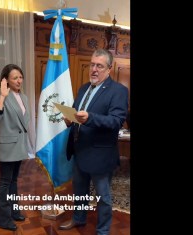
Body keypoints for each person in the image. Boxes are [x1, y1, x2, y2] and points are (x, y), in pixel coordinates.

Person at [58, 49, 128, 235]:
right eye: (92, 64)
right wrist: (69, 120)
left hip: (101, 154)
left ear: (109, 69)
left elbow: (116, 121)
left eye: (99, 66)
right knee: (79, 191)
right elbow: (76, 114)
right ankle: (79, 218)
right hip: (80, 150)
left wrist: (90, 117)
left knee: (103, 197)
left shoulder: (119, 91)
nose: (94, 69)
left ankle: (103, 230)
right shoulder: (83, 88)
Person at [0, 64, 30, 231]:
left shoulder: (25, 97)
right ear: (6, 80)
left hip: (19, 145)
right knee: (5, 182)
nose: (19, 80)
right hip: (7, 146)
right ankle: (3, 219)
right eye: (15, 78)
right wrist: (3, 97)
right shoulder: (1, 95)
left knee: (13, 181)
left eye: (20, 77)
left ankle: (14, 212)